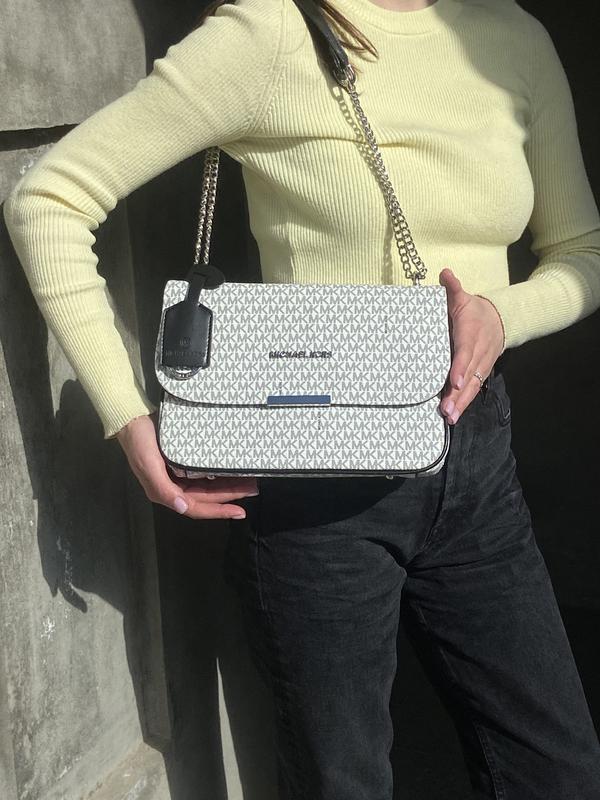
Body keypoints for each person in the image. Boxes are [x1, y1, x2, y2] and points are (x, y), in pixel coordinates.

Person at [4, 0, 600, 796]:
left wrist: (501, 314)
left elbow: (583, 251)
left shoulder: (513, 36)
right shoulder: (271, 33)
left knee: (557, 770)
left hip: (476, 461)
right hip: (317, 478)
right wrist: (128, 416)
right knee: (341, 782)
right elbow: (49, 200)